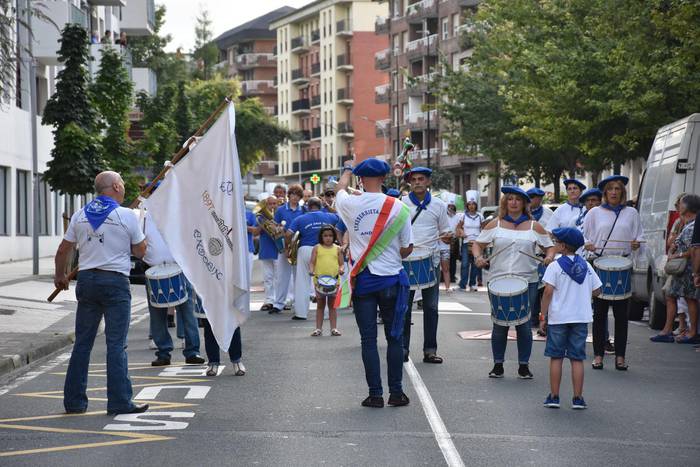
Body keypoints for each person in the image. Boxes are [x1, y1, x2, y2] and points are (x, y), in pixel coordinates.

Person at [54, 171, 148, 415]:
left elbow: (63, 249)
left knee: (82, 343)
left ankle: (74, 402)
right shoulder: (127, 215)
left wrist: (60, 276)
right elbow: (140, 252)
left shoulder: (80, 214)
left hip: (86, 281)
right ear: (116, 186)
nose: (125, 187)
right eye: (123, 184)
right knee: (116, 344)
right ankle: (119, 401)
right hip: (115, 282)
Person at [334, 159, 413, 408]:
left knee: (368, 339)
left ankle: (375, 394)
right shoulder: (399, 207)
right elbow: (406, 249)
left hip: (365, 279)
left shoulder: (350, 203)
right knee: (394, 337)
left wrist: (347, 170)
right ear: (383, 179)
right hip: (391, 277)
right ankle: (397, 393)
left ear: (360, 179)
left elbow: (339, 189)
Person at [473, 186, 554, 379]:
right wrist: (478, 257)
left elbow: (550, 247)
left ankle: (523, 365)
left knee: (524, 325)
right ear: (505, 202)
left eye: (518, 199)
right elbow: (478, 244)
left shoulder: (535, 227)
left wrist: (549, 257)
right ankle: (498, 364)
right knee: (499, 324)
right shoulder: (495, 224)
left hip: (527, 281)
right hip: (498, 280)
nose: (514, 202)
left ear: (525, 204)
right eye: (510, 199)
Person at [583, 175, 642, 371]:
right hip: (600, 264)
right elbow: (585, 238)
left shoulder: (631, 212)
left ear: (622, 192)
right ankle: (598, 355)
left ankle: (620, 357)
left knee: (621, 315)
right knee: (599, 313)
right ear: (605, 193)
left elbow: (639, 237)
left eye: (617, 189)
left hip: (623, 264)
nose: (614, 192)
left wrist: (635, 244)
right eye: (610, 189)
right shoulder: (594, 213)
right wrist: (588, 245)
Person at [540, 227, 602, 410]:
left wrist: (543, 315)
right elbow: (597, 290)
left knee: (556, 357)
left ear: (563, 246)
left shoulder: (555, 266)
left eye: (556, 242)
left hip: (559, 318)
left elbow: (548, 292)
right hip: (580, 318)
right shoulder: (586, 266)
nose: (555, 244)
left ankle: (554, 396)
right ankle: (577, 398)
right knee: (577, 359)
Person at [142, 208, 205, 367]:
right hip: (154, 270)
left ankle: (192, 351)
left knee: (188, 312)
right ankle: (163, 352)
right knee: (157, 314)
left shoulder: (180, 213)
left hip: (180, 268)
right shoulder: (144, 217)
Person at [402, 167, 451, 364]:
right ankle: (403, 349)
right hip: (406, 261)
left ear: (428, 182)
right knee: (404, 309)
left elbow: (445, 232)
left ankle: (430, 350)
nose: (417, 182)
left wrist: (448, 238)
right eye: (413, 180)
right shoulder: (402, 203)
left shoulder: (439, 205)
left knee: (431, 308)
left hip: (430, 260)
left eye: (421, 179)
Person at [650, 194, 700, 344]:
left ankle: (691, 332)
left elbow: (694, 249)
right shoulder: (687, 224)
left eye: (681, 204)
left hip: (687, 268)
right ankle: (669, 330)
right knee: (672, 296)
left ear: (687, 207)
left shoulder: (693, 226)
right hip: (683, 270)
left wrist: (676, 255)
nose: (678, 206)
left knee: (690, 299)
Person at [287, 197, 342, 320]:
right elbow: (340, 215)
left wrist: (288, 247)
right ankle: (328, 314)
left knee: (302, 281)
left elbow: (288, 234)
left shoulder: (300, 218)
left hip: (305, 249)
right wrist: (328, 206)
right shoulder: (330, 216)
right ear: (320, 206)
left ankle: (301, 313)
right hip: (325, 249)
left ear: (307, 206)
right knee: (327, 279)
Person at [271, 184, 304, 314]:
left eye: (297, 195)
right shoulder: (280, 210)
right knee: (281, 276)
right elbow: (275, 226)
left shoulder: (304, 210)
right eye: (293, 194)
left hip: (299, 246)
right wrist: (278, 229)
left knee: (299, 277)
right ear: (289, 195)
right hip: (284, 247)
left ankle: (298, 303)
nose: (295, 197)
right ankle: (278, 303)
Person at [309, 225, 345, 336]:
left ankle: (333, 328)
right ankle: (318, 329)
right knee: (320, 305)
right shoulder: (317, 248)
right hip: (319, 281)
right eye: (325, 236)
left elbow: (342, 263)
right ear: (321, 237)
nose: (328, 238)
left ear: (334, 236)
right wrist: (311, 270)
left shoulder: (337, 249)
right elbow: (312, 262)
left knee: (332, 306)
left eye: (330, 235)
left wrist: (341, 269)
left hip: (334, 281)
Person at [257, 195, 280, 312]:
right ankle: (269, 300)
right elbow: (256, 232)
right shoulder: (261, 217)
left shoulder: (280, 215)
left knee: (278, 277)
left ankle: (279, 300)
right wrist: (264, 225)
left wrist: (276, 225)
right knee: (268, 277)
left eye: (274, 204)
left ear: (277, 204)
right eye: (269, 204)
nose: (272, 206)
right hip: (266, 248)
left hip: (278, 249)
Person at [458, 195, 483, 291]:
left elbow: (483, 228)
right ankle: (462, 285)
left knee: (475, 264)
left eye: (473, 204)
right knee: (464, 264)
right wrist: (462, 232)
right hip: (466, 242)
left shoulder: (480, 216)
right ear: (467, 205)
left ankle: (472, 283)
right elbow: (459, 227)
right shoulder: (463, 216)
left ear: (476, 205)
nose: (471, 206)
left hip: (477, 243)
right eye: (469, 204)